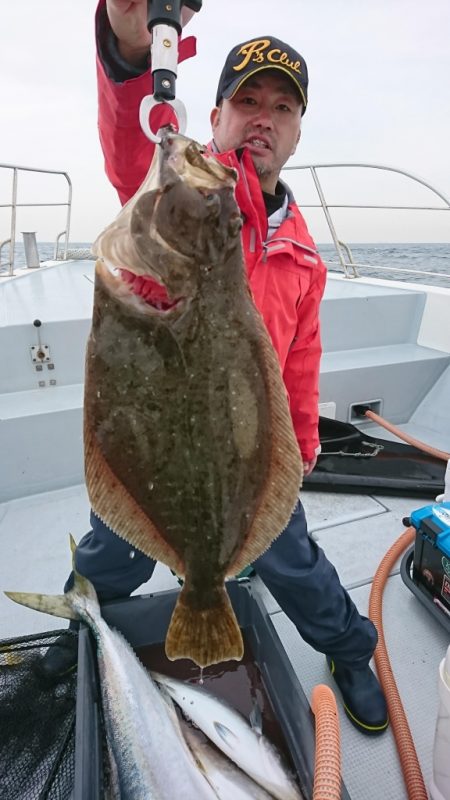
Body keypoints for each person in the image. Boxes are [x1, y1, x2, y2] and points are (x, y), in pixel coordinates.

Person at [43, 0, 388, 736]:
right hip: (163, 441)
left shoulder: (303, 254)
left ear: (298, 129)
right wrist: (131, 49)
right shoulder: (183, 186)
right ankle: (75, 628)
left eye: (282, 108)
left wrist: (292, 459)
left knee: (296, 563)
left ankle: (351, 648)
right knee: (114, 550)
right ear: (220, 114)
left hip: (246, 454)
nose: (263, 118)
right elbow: (131, 144)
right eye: (247, 101)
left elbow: (300, 367)